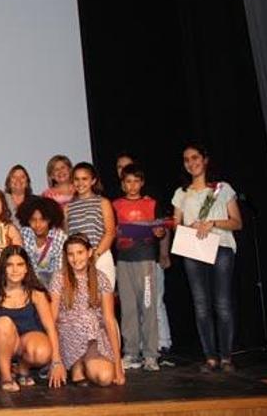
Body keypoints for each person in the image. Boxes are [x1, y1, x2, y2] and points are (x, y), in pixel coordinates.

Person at [172, 143, 242, 373]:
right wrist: (188, 227)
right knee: (201, 305)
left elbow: (237, 222)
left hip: (220, 246)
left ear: (205, 159)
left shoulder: (222, 188)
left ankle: (226, 357)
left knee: (222, 303)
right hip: (193, 249)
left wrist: (212, 223)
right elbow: (176, 224)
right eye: (186, 160)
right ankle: (210, 356)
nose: (191, 163)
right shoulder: (182, 193)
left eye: (195, 158)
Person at [0, 246, 65, 392]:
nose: (15, 270)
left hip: (27, 343)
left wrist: (57, 362)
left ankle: (22, 368)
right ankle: (6, 376)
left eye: (20, 264)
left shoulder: (36, 293)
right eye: (10, 265)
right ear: (3, 268)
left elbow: (50, 327)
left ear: (27, 268)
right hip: (0, 340)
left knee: (43, 352)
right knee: (3, 322)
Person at [116, 153, 173, 354]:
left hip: (146, 261)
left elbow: (161, 228)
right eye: (128, 182)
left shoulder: (151, 204)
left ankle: (151, 352)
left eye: (135, 182)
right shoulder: (115, 205)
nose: (132, 186)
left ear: (142, 183)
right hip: (124, 261)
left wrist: (160, 231)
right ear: (122, 184)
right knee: (129, 309)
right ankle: (131, 352)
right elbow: (113, 230)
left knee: (149, 306)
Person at [49, 234, 124, 386]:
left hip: (93, 336)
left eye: (80, 252)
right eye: (71, 254)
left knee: (105, 378)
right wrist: (55, 360)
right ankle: (75, 364)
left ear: (89, 253)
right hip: (67, 335)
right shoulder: (59, 278)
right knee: (87, 319)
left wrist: (118, 366)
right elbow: (52, 319)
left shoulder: (101, 278)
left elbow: (109, 320)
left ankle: (85, 362)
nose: (75, 258)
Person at [66, 162, 117, 287]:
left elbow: (110, 232)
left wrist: (95, 255)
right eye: (76, 179)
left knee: (105, 300)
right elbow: (68, 236)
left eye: (84, 179)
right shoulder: (68, 207)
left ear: (93, 180)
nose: (80, 183)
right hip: (78, 260)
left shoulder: (103, 202)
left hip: (100, 256)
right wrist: (78, 258)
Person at [18, 196, 67, 288]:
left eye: (42, 220)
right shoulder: (24, 233)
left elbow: (59, 271)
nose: (37, 225)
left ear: (49, 220)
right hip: (28, 281)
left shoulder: (59, 237)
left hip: (54, 283)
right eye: (33, 220)